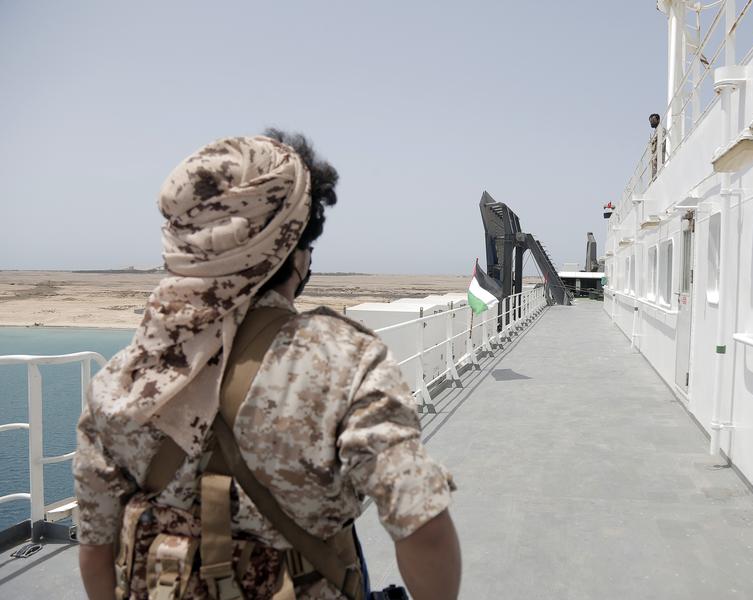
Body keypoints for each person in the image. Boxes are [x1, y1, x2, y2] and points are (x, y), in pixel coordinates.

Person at [73, 130, 462, 600]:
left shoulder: (121, 381)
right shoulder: (345, 361)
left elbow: (96, 551)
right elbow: (424, 527)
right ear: (295, 249)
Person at [649, 113, 667, 180]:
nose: (651, 122)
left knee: (659, 176)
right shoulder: (655, 132)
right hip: (655, 160)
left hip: (659, 159)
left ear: (658, 120)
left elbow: (662, 143)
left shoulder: (661, 130)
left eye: (653, 120)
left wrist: (657, 157)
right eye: (650, 121)